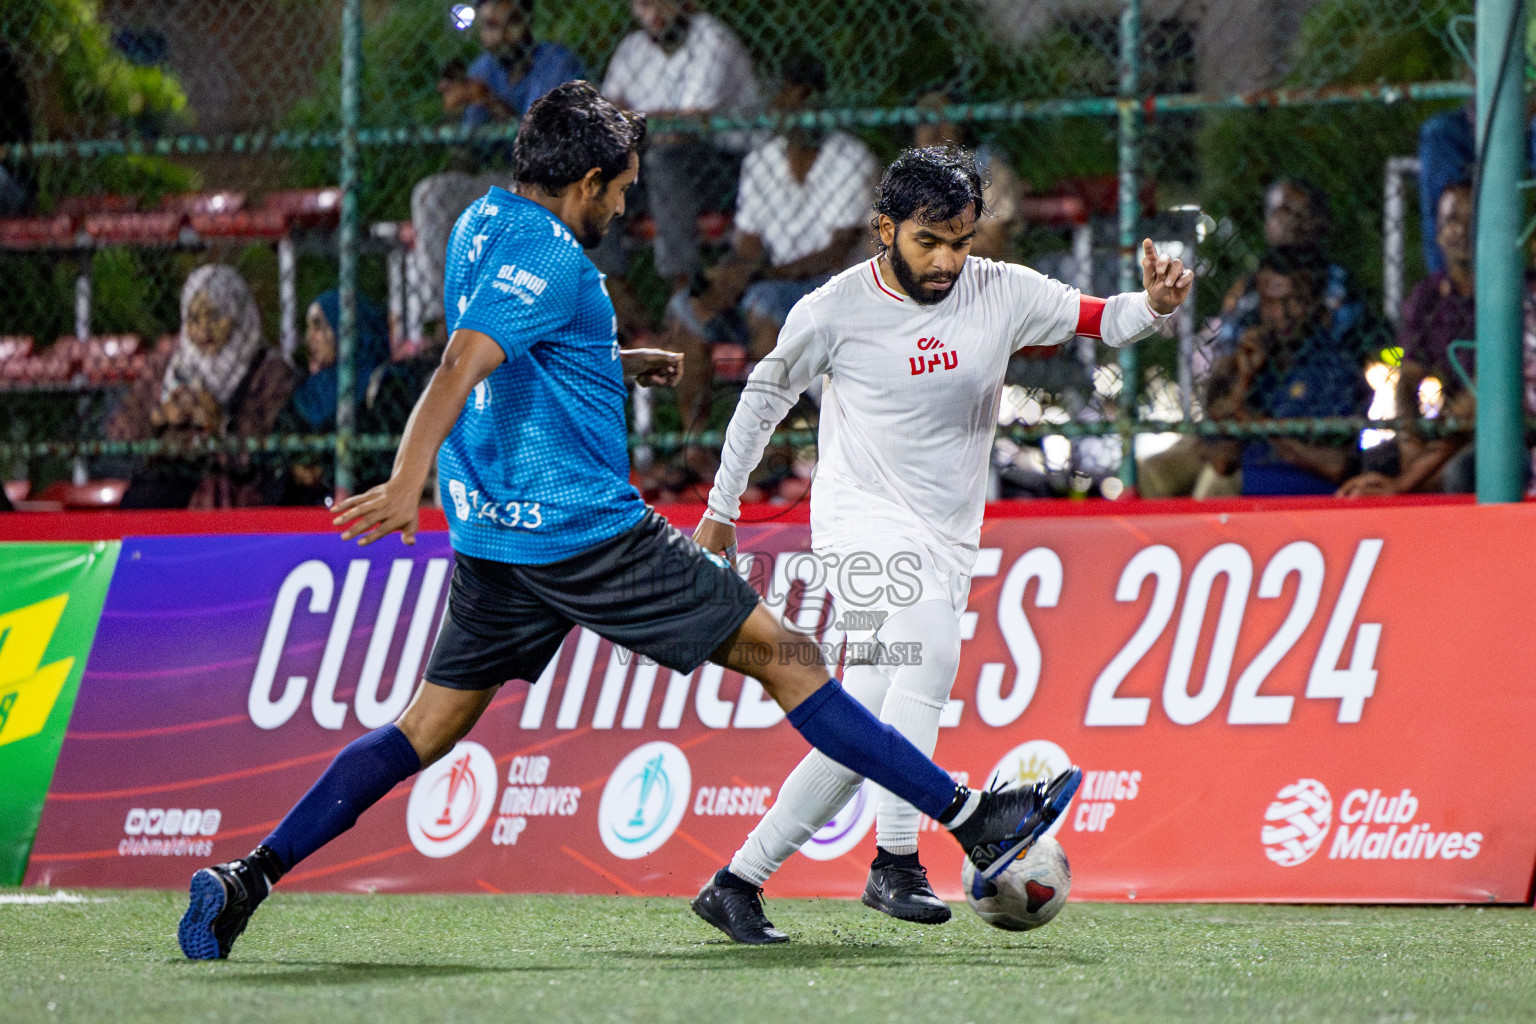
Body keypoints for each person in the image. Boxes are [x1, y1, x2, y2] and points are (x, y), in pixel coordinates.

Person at [176, 83, 1082, 962]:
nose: (625, 201)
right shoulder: (559, 257)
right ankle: (971, 818)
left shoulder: (478, 222)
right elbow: (460, 363)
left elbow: (514, 339)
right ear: (583, 185)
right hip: (585, 532)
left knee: (424, 728)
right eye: (620, 187)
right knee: (792, 660)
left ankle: (246, 877)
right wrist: (405, 478)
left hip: (493, 537)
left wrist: (605, 361)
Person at [688, 145, 1191, 944]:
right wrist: (722, 507)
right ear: (884, 229)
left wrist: (1157, 303)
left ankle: (736, 881)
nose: (950, 260)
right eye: (930, 241)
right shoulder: (832, 309)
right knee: (928, 650)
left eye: (962, 240)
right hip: (858, 522)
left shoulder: (1001, 290)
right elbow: (760, 401)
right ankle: (896, 862)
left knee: (872, 733)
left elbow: (1108, 319)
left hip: (948, 538)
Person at [663, 54, 877, 418]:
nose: (794, 109)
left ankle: (769, 445)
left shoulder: (851, 157)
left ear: (820, 102)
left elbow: (834, 255)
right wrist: (721, 283)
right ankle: (694, 447)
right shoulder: (760, 162)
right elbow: (746, 248)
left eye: (804, 99)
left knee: (763, 301)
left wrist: (753, 278)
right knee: (688, 307)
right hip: (771, 285)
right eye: (786, 98)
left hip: (836, 290)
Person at [412, 0, 583, 329]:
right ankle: (442, 323)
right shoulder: (482, 69)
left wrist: (491, 102)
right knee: (430, 194)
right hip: (498, 176)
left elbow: (547, 145)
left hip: (548, 184)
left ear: (530, 21)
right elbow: (469, 155)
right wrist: (449, 127)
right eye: (492, 26)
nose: (503, 35)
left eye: (512, 23)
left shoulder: (557, 65)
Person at [601, 0, 761, 288]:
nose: (653, 10)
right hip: (649, 166)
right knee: (597, 169)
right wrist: (652, 124)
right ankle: (612, 293)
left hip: (727, 169)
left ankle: (682, 287)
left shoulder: (712, 39)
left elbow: (685, 128)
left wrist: (634, 121)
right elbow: (606, 120)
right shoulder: (631, 49)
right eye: (643, 3)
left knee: (666, 157)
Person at [112, 264, 295, 509]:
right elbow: (119, 430)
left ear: (237, 313)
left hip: (241, 502)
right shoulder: (167, 364)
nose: (203, 329)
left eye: (215, 316)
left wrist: (221, 422)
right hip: (168, 498)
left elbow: (278, 446)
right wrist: (160, 417)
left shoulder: (270, 372)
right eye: (193, 318)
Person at [1339, 183, 1476, 496]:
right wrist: (1410, 441)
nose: (1462, 230)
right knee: (1374, 461)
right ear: (1438, 231)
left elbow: (1479, 404)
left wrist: (1404, 483)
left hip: (1492, 431)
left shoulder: (1515, 291)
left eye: (1472, 218)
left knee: (1456, 471)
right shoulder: (1429, 294)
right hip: (1446, 429)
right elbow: (1408, 377)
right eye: (1453, 220)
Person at [1202, 249, 1372, 496]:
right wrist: (1244, 380)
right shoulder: (1253, 364)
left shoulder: (1335, 368)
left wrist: (1262, 428)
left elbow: (1336, 465)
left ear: (1313, 301)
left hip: (1312, 507)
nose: (1280, 315)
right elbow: (1222, 462)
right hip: (1251, 508)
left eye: (1292, 301)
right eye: (1269, 303)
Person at [266, 289, 397, 505]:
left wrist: (325, 472)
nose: (309, 338)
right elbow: (273, 446)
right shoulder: (307, 392)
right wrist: (296, 467)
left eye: (319, 326)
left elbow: (381, 460)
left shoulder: (384, 385)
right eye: (308, 328)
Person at [911, 89, 1022, 262]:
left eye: (944, 118)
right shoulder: (905, 173)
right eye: (925, 119)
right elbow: (875, 240)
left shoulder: (987, 168)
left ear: (960, 126)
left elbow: (991, 244)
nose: (934, 129)